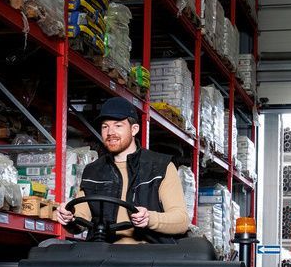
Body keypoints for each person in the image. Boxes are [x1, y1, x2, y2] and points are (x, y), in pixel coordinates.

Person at [54, 96, 190, 244]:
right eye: (105, 126)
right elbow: (81, 216)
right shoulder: (93, 170)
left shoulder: (160, 166)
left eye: (118, 125)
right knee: (49, 248)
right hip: (103, 254)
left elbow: (181, 220)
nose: (110, 132)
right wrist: (69, 218)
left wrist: (150, 218)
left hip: (148, 256)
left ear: (134, 129)